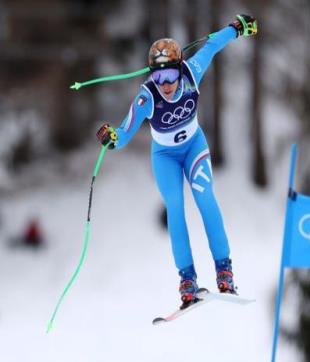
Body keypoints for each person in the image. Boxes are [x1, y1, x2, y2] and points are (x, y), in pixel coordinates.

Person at [96, 15, 258, 310]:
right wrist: (112, 138)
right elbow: (124, 132)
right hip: (165, 157)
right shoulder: (147, 98)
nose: (166, 84)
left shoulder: (192, 72)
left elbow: (211, 46)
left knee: (205, 198)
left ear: (180, 69)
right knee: (175, 207)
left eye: (170, 76)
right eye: (159, 78)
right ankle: (187, 279)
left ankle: (224, 270)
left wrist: (237, 29)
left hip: (194, 147)